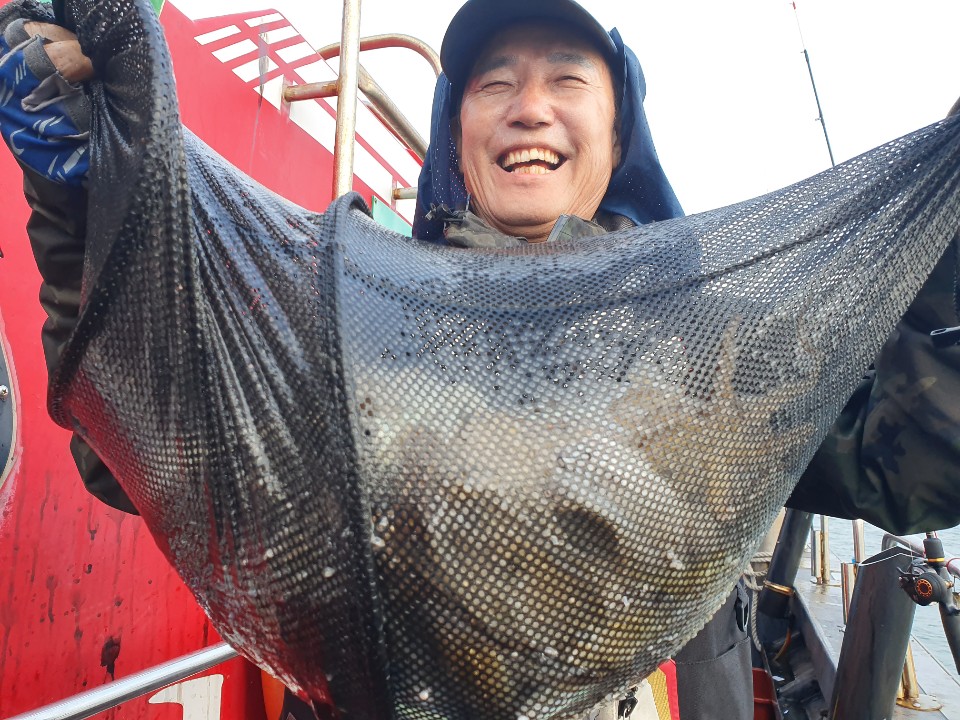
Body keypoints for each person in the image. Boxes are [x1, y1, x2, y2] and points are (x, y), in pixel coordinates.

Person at [2, 0, 959, 717]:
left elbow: (923, 455)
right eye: (494, 84)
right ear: (457, 132)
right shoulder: (351, 325)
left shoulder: (708, 348)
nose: (528, 108)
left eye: (566, 80)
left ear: (619, 131)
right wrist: (81, 196)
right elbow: (141, 452)